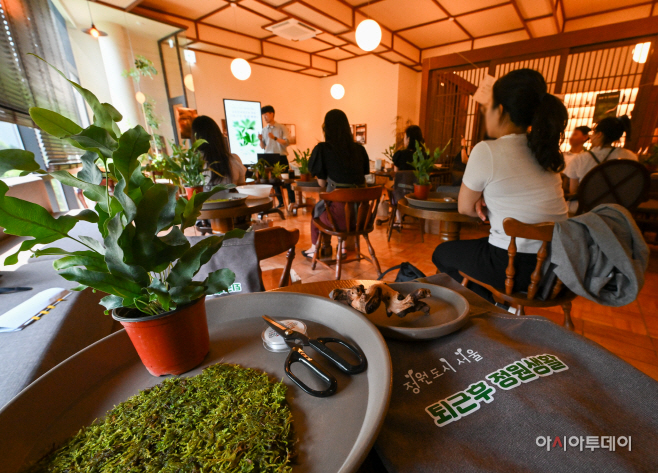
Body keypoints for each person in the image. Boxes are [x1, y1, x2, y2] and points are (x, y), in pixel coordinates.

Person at [432, 68, 569, 303]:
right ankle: (495, 305)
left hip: (512, 266)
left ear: (501, 110)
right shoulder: (546, 151)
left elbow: (464, 208)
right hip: (556, 268)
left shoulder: (487, 150)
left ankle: (489, 307)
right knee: (478, 248)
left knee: (442, 253)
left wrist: (480, 199)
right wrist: (488, 195)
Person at [301, 109, 370, 258]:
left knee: (318, 212)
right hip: (362, 217)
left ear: (326, 128)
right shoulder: (360, 149)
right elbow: (362, 178)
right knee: (342, 203)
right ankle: (344, 247)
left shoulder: (323, 149)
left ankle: (316, 247)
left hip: (339, 218)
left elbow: (321, 183)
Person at [564, 116, 637, 195]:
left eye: (593, 133)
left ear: (599, 134)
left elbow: (573, 190)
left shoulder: (581, 158)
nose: (591, 137)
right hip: (619, 205)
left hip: (586, 206)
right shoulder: (631, 156)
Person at [192, 115, 246, 189]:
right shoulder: (234, 159)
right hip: (233, 200)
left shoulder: (193, 162)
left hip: (205, 201)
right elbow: (243, 190)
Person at [258, 105, 294, 208]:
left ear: (272, 114)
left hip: (281, 157)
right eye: (263, 116)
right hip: (269, 158)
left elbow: (287, 142)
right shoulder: (264, 130)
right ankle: (281, 202)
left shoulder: (281, 127)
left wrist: (274, 138)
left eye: (266, 115)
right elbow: (263, 147)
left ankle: (292, 202)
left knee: (287, 181)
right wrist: (260, 140)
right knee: (274, 182)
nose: (264, 117)